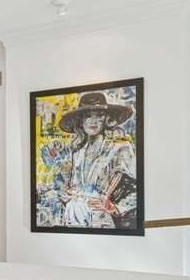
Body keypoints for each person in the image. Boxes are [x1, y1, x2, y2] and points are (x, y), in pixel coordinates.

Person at [57, 90, 137, 229]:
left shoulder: (120, 148)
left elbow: (140, 188)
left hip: (102, 220)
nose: (94, 121)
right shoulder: (78, 153)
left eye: (99, 115)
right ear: (81, 121)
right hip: (75, 216)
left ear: (107, 119)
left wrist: (116, 208)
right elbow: (77, 187)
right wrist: (68, 196)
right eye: (88, 116)